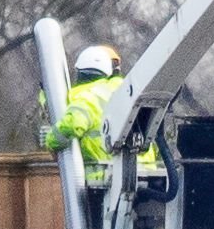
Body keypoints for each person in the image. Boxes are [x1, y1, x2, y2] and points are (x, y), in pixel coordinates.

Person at [42, 44, 157, 182]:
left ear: (79, 72)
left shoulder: (87, 96)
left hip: (103, 179)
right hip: (148, 175)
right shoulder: (128, 91)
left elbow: (73, 124)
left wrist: (50, 141)